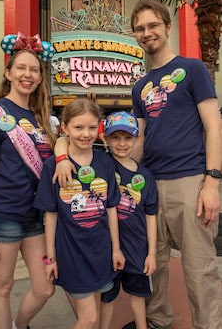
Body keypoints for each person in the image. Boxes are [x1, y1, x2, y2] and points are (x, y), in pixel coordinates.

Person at [125, 0, 222, 329]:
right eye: (140, 28)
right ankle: (157, 322)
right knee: (155, 263)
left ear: (167, 27)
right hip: (150, 185)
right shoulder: (140, 87)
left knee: (200, 268)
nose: (147, 33)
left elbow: (213, 125)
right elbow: (139, 139)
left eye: (153, 26)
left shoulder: (193, 69)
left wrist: (212, 182)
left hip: (190, 181)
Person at [0, 46, 56, 329]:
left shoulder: (40, 118)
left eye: (34, 70)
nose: (27, 75)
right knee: (2, 287)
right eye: (21, 68)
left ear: (40, 77)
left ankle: (19, 324)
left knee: (45, 287)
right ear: (8, 73)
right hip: (3, 215)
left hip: (35, 218)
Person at [34, 98, 125, 329]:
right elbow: (50, 215)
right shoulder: (53, 167)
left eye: (92, 127)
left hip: (102, 252)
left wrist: (116, 249)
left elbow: (111, 208)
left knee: (97, 308)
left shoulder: (106, 163)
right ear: (64, 128)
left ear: (99, 127)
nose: (86, 134)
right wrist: (49, 258)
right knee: (89, 318)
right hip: (71, 254)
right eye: (78, 127)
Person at [100, 111, 158, 329]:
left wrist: (151, 253)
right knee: (107, 297)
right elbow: (66, 142)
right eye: (115, 137)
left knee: (138, 295)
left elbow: (151, 216)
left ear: (136, 139)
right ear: (105, 138)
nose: (122, 143)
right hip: (107, 249)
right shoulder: (101, 165)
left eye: (127, 137)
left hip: (137, 248)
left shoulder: (146, 176)